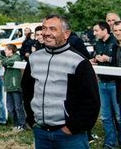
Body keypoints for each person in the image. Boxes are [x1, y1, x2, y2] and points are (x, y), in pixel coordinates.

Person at [22, 14, 99, 148]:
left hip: (70, 136)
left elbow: (91, 101)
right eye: (44, 28)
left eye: (53, 29)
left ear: (66, 34)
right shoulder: (34, 58)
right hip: (41, 133)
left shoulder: (79, 61)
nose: (46, 33)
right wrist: (31, 119)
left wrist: (72, 127)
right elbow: (27, 89)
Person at [91, 20, 119, 147]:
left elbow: (117, 62)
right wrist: (94, 60)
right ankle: (110, 143)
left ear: (105, 30)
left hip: (115, 83)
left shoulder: (115, 43)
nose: (94, 33)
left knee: (118, 116)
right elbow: (96, 56)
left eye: (96, 30)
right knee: (105, 116)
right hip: (102, 82)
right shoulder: (97, 43)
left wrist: (109, 59)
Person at [0, 44, 26, 130]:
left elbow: (6, 62)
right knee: (10, 107)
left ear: (11, 50)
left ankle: (22, 124)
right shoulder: (8, 58)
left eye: (6, 49)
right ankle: (16, 124)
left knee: (18, 107)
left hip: (15, 86)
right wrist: (1, 60)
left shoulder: (16, 57)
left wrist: (2, 61)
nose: (5, 51)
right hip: (8, 86)